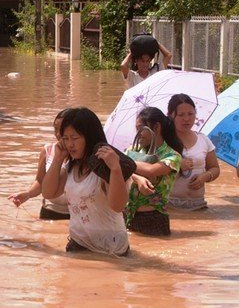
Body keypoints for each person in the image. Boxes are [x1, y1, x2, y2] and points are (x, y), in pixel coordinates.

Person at [41, 107, 129, 256]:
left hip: (111, 248)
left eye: (74, 138)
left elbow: (118, 206)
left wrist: (115, 169)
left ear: (89, 137)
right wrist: (57, 158)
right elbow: (48, 192)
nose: (70, 144)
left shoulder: (106, 167)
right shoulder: (70, 167)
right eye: (65, 138)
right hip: (79, 243)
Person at [124, 107, 183, 236]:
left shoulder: (172, 156)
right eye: (136, 129)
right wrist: (136, 178)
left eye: (141, 129)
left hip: (153, 218)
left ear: (156, 127)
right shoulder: (133, 150)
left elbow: (151, 171)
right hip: (126, 214)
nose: (137, 134)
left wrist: (124, 163)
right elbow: (115, 170)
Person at [8, 109, 71, 220]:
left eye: (61, 130)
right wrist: (28, 194)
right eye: (55, 129)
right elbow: (40, 181)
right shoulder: (47, 150)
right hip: (50, 210)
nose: (58, 134)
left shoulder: (80, 154)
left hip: (76, 213)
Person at [166, 93, 221, 211]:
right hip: (170, 206)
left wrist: (205, 176)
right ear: (171, 115)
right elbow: (152, 171)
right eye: (181, 115)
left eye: (190, 114)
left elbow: (215, 168)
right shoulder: (164, 141)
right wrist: (176, 164)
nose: (186, 119)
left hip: (199, 205)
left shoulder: (203, 139)